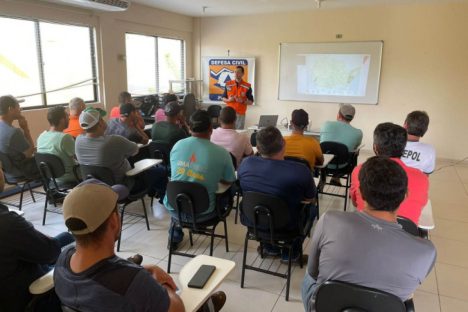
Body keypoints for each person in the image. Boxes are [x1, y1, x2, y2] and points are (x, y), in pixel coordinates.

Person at [55, 179, 226, 312]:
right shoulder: (134, 283)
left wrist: (144, 270)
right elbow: (177, 309)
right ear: (114, 221)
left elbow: (103, 276)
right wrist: (163, 285)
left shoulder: (64, 259)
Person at [302, 156, 436, 312]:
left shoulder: (329, 221)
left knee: (308, 279)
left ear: (360, 193)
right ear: (405, 196)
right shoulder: (426, 252)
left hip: (326, 306)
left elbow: (313, 272)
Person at [0, 166, 74, 312]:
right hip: (27, 297)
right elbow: (50, 254)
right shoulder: (8, 223)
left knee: (65, 237)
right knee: (71, 250)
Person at [238, 126, 317, 262]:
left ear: (258, 147)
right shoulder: (300, 171)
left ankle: (270, 248)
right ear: (283, 143)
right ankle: (290, 254)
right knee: (312, 210)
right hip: (288, 227)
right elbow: (310, 198)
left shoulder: (245, 164)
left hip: (253, 222)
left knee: (264, 203)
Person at [164, 110, 236, 248]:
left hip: (175, 208)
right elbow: (228, 180)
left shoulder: (177, 145)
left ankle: (175, 234)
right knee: (233, 187)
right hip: (204, 213)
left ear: (189, 128)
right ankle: (197, 226)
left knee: (182, 191)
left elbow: (177, 175)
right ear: (211, 129)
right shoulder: (222, 153)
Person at [75, 107, 166, 197]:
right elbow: (135, 150)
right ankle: (163, 200)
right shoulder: (114, 141)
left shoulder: (78, 141)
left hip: (95, 188)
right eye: (102, 119)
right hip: (125, 186)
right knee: (161, 171)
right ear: (99, 123)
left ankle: (151, 191)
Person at [350, 123, 429, 225]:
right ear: (404, 149)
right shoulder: (421, 178)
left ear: (375, 147)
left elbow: (355, 202)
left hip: (364, 229)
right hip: (404, 237)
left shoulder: (359, 170)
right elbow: (422, 205)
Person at [320, 104, 363, 185]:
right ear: (352, 118)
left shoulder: (326, 124)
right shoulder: (358, 133)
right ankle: (336, 177)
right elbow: (355, 148)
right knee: (353, 153)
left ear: (338, 115)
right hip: (342, 166)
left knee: (328, 150)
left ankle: (323, 178)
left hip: (323, 163)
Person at [0, 95, 39, 179]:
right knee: (49, 163)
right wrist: (25, 128)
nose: (20, 109)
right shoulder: (13, 132)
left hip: (6, 173)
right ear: (10, 109)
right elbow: (30, 152)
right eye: (18, 107)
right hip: (21, 171)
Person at [37, 106, 78, 184]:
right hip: (71, 176)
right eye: (67, 116)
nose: (69, 118)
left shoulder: (41, 136)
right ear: (62, 120)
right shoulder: (65, 138)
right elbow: (79, 157)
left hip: (52, 178)